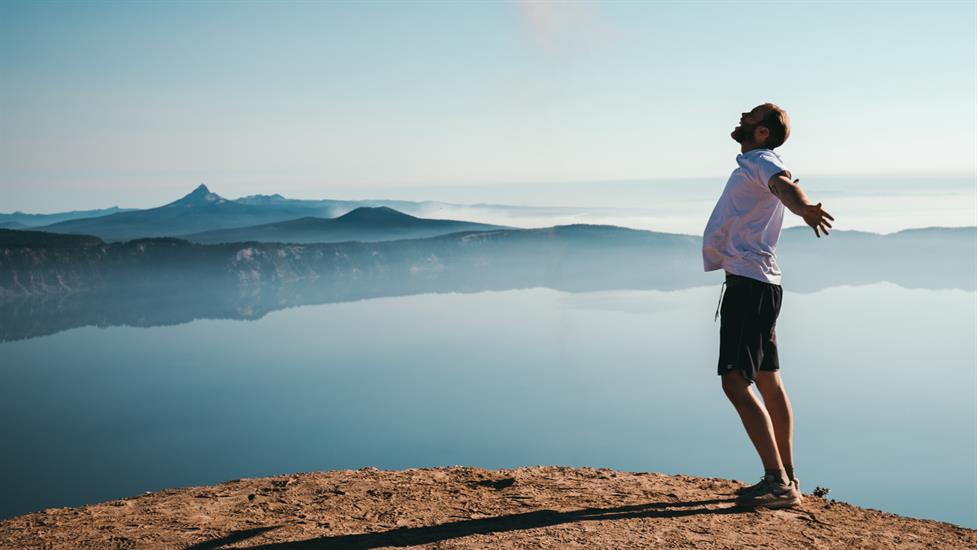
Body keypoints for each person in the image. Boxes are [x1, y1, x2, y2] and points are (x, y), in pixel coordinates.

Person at [702, 102, 834, 509]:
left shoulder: (762, 161)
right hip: (759, 283)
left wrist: (803, 207)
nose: (742, 116)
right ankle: (786, 476)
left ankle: (777, 483)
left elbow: (784, 186)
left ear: (762, 132)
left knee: (734, 381)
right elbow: (781, 186)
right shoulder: (755, 163)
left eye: (751, 115)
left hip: (748, 285)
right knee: (767, 379)